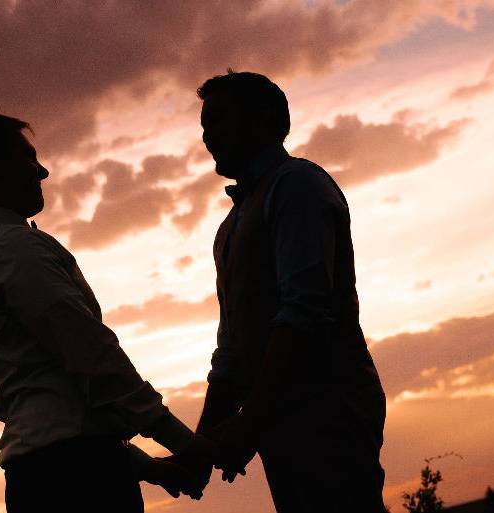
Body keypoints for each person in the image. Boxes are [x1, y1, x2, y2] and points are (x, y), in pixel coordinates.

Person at [0, 112, 213, 513]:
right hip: (76, 476)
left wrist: (149, 468)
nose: (42, 171)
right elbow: (94, 358)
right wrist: (185, 442)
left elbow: (52, 398)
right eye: (28, 159)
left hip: (49, 473)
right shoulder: (14, 249)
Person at [186, 71, 388, 512]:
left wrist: (247, 423)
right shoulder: (230, 226)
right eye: (203, 126)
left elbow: (304, 313)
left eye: (217, 121)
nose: (206, 137)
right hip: (281, 422)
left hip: (328, 411)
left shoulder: (297, 185)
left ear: (261, 119)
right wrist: (204, 442)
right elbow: (230, 349)